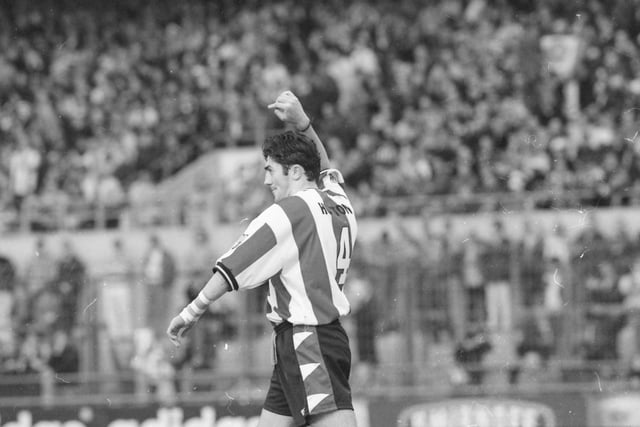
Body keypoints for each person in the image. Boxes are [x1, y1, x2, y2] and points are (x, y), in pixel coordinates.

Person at [167, 90, 358, 427]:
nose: (267, 180)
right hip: (315, 339)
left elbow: (232, 267)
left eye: (271, 171)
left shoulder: (288, 213)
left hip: (307, 340)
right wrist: (304, 124)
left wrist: (191, 310)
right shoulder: (340, 202)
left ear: (296, 172)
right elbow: (324, 166)